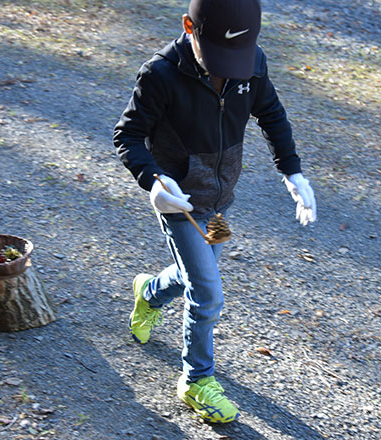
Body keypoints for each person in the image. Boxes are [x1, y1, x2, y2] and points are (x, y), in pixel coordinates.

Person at [113, 0, 316, 424]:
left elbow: (272, 115)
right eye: (219, 57)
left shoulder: (251, 62)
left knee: (196, 277)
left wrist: (292, 172)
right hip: (180, 203)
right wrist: (153, 182)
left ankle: (148, 293)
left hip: (222, 201)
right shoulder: (160, 74)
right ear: (189, 27)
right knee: (207, 294)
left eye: (237, 59)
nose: (228, 70)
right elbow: (128, 136)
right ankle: (195, 379)